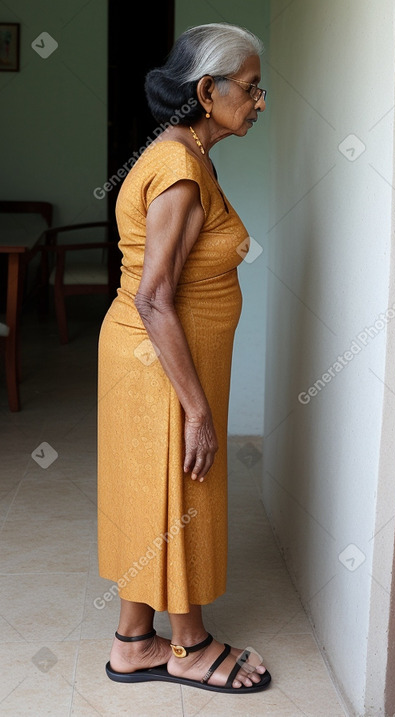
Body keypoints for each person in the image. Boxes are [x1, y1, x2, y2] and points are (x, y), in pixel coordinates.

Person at [96, 22, 270, 693]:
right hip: (162, 362)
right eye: (251, 89)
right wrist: (197, 409)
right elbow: (156, 298)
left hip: (162, 359)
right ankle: (191, 643)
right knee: (181, 491)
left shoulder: (186, 153)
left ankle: (134, 640)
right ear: (207, 90)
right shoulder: (177, 166)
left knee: (156, 488)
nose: (258, 102)